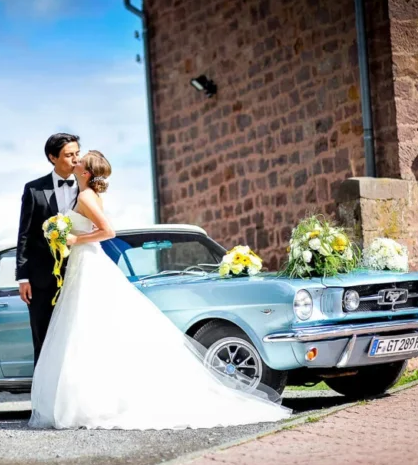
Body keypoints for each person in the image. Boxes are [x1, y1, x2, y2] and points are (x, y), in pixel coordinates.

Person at [27, 150, 291, 430]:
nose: (76, 161)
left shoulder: (85, 197)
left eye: (80, 160)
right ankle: (93, 400)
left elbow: (109, 232)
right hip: (83, 264)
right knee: (86, 330)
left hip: (89, 262)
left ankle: (92, 404)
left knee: (85, 329)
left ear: (86, 172)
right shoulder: (87, 195)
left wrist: (74, 237)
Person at [15, 133, 81, 364]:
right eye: (68, 155)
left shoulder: (87, 188)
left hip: (79, 272)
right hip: (41, 279)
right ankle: (43, 396)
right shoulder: (33, 189)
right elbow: (24, 234)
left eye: (77, 154)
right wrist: (22, 277)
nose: (75, 160)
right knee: (43, 338)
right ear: (53, 157)